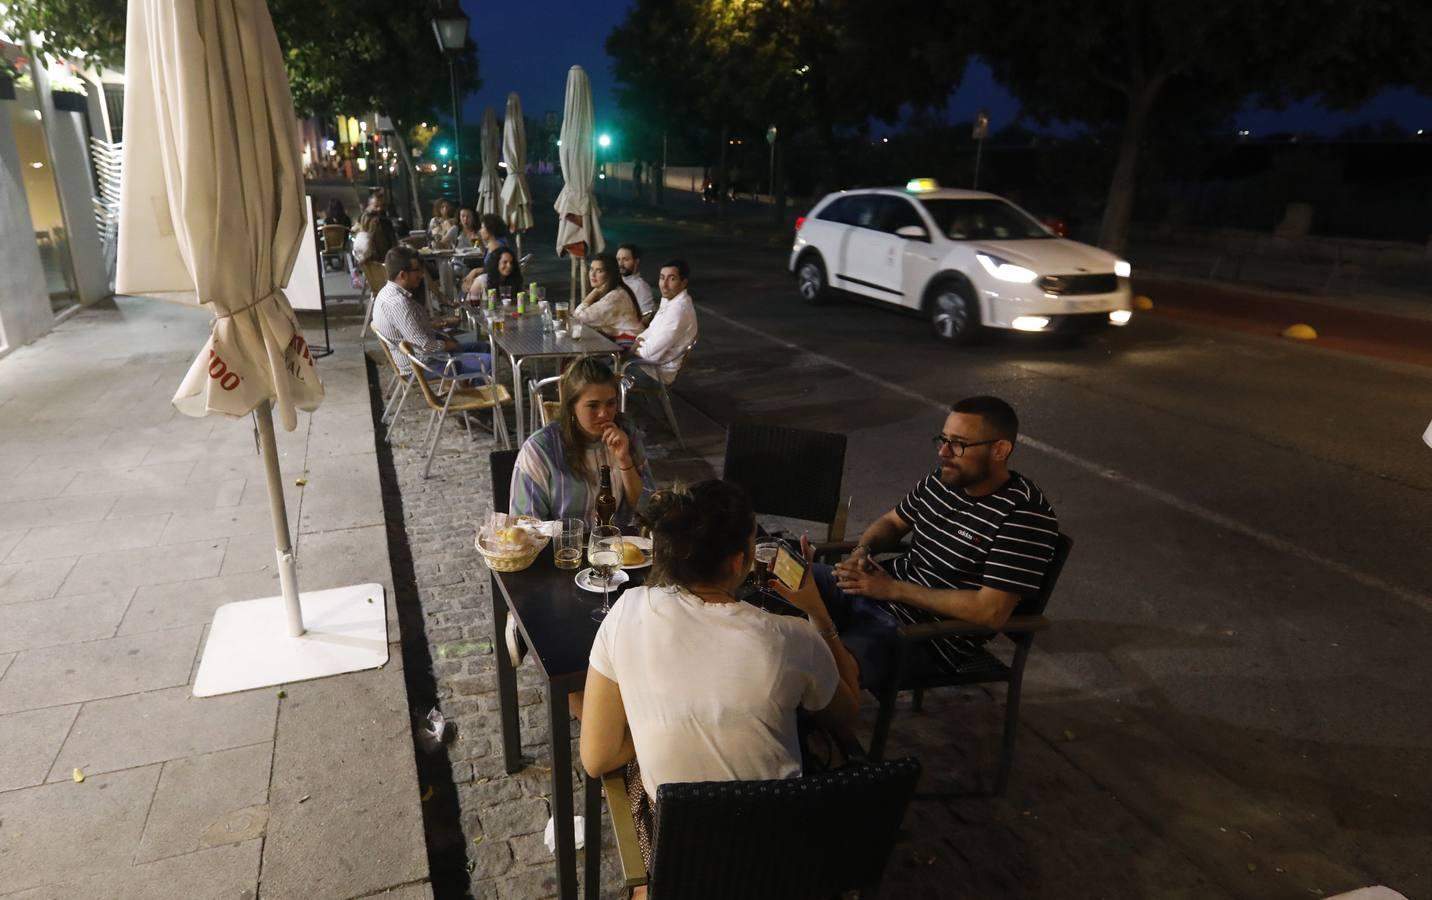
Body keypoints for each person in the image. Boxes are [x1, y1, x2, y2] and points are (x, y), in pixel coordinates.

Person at [579, 479, 861, 872]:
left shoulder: (627, 611)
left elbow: (597, 757)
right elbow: (848, 718)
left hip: (684, 852)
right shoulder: (794, 637)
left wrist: (659, 719)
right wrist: (819, 614)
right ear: (737, 562)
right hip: (781, 851)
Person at [808, 396, 1060, 688]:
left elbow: (990, 611)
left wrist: (894, 590)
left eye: (959, 444)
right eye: (943, 439)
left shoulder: (1023, 515)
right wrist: (861, 552)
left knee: (820, 673)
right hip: (876, 594)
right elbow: (892, 522)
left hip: (920, 635)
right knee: (780, 577)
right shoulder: (944, 481)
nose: (944, 452)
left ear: (1000, 450)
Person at [509, 357, 655, 524]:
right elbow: (525, 526)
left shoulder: (626, 432)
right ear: (572, 407)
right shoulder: (540, 450)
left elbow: (648, 508)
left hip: (617, 544)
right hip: (565, 547)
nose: (604, 413)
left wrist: (624, 460)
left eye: (610, 404)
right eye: (593, 406)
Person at [370, 246, 490, 377]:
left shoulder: (385, 292)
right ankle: (475, 393)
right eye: (417, 271)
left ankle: (470, 386)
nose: (421, 275)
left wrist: (442, 324)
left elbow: (412, 329)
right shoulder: (398, 303)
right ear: (403, 275)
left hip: (427, 358)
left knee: (484, 347)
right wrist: (449, 345)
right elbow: (426, 346)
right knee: (489, 362)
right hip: (425, 366)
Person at [628, 258, 698, 385]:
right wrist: (638, 342)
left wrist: (634, 349)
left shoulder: (678, 310)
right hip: (646, 365)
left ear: (683, 283)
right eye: (662, 278)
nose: (664, 284)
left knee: (603, 373)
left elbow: (648, 354)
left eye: (672, 279)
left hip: (655, 374)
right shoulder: (670, 300)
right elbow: (649, 331)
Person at [572, 253, 645, 340]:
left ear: (610, 274)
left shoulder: (615, 297)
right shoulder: (616, 290)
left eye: (599, 271)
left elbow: (578, 318)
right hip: (618, 340)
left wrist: (595, 291)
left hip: (628, 343)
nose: (593, 275)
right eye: (591, 269)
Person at [615, 243, 656, 319]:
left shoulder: (641, 287)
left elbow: (648, 315)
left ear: (636, 261)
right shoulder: (613, 282)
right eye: (618, 259)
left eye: (625, 260)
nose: (620, 264)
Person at [478, 213, 513, 288]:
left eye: (482, 228)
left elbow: (492, 268)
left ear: (489, 230)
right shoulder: (499, 241)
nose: (480, 231)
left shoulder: (495, 245)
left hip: (495, 284)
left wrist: (474, 271)